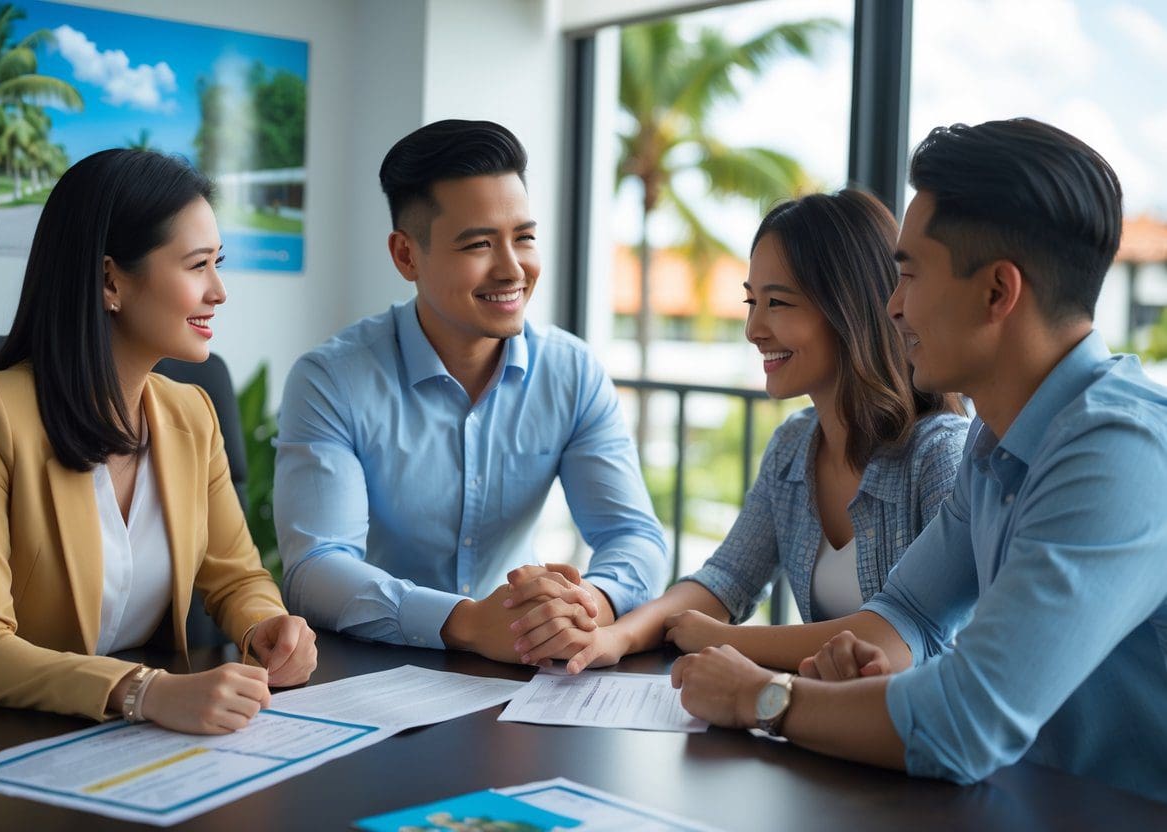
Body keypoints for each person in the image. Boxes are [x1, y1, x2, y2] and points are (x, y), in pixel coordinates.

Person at [670, 118, 1167, 803]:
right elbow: (908, 610)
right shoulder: (997, 441)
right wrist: (864, 676)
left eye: (907, 274)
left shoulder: (1118, 453)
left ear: (997, 292)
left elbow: (968, 719)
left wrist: (762, 698)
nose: (893, 307)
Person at [509, 189, 968, 672]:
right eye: (752, 301)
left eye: (778, 303)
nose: (753, 328)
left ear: (848, 310)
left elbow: (910, 633)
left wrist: (725, 639)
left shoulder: (940, 454)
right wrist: (613, 637)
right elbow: (725, 580)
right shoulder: (795, 445)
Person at [274, 119, 666, 664]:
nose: (513, 269)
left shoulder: (571, 372)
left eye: (524, 237)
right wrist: (465, 622)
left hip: (522, 659)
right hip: (374, 665)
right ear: (406, 255)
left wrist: (582, 607)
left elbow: (634, 536)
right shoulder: (331, 379)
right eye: (479, 244)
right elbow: (317, 567)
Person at [0, 149, 317, 734]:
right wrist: (142, 691)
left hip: (148, 741)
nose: (219, 291)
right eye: (197, 265)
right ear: (109, 280)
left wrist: (266, 626)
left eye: (217, 263)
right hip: (15, 738)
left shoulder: (192, 413)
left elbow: (237, 577)